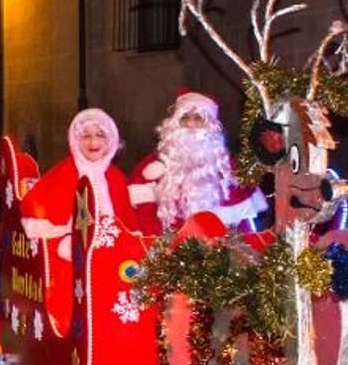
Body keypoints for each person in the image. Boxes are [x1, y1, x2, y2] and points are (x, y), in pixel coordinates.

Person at [128, 91, 267, 235]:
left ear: (211, 127)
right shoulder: (154, 166)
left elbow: (245, 229)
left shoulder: (227, 168)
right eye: (185, 118)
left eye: (198, 118)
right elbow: (141, 215)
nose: (190, 124)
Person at [21, 108, 140, 256]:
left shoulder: (117, 178)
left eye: (100, 135)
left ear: (109, 140)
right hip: (69, 260)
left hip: (113, 256)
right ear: (76, 140)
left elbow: (128, 223)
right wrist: (62, 244)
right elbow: (34, 212)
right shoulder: (61, 173)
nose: (93, 142)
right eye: (86, 136)